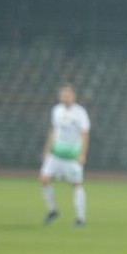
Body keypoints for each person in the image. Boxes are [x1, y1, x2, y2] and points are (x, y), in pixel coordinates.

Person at [40, 83, 90, 227]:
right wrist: (47, 150)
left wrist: (82, 154)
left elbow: (85, 134)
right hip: (56, 153)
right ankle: (52, 210)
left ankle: (80, 218)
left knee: (76, 185)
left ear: (73, 96)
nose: (65, 97)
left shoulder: (80, 112)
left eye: (68, 95)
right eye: (63, 95)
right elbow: (54, 131)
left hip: (72, 155)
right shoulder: (56, 110)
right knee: (44, 179)